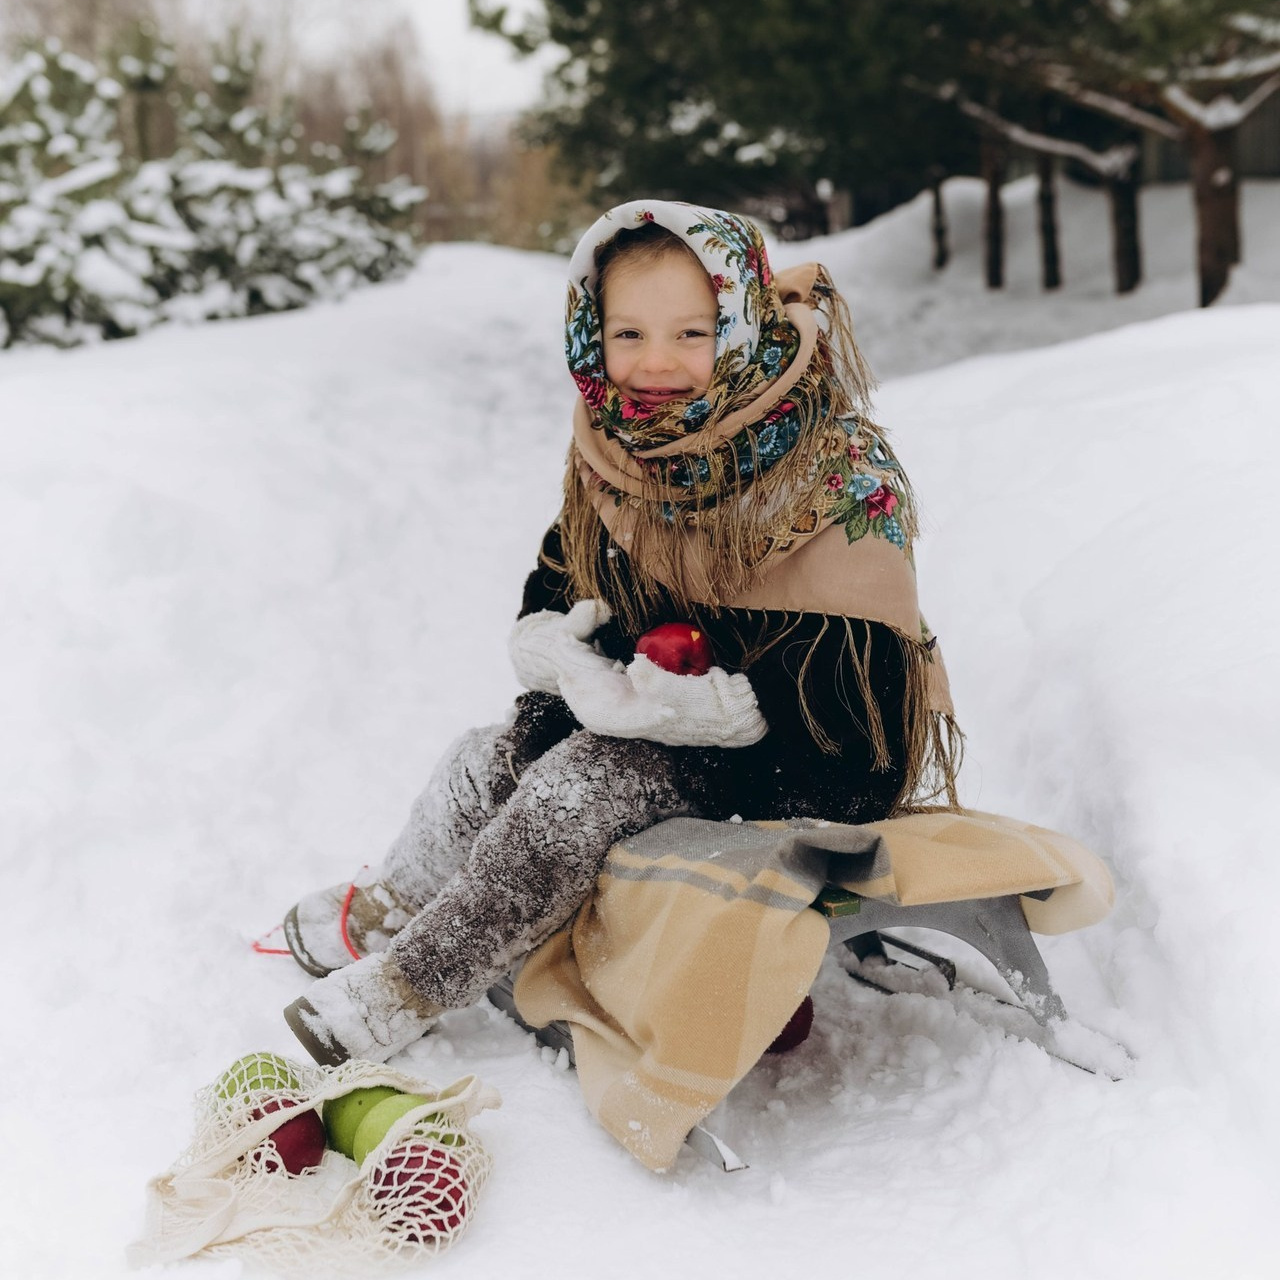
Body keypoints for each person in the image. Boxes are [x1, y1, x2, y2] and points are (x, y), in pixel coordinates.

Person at [281, 199, 960, 1067]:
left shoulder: (835, 475)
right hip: (652, 723)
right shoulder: (615, 448)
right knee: (487, 755)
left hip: (811, 757)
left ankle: (403, 988)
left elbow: (858, 732)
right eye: (628, 334)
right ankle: (394, 901)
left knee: (580, 785)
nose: (656, 366)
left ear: (743, 323)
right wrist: (553, 641)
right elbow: (564, 575)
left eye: (691, 332)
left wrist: (723, 718)